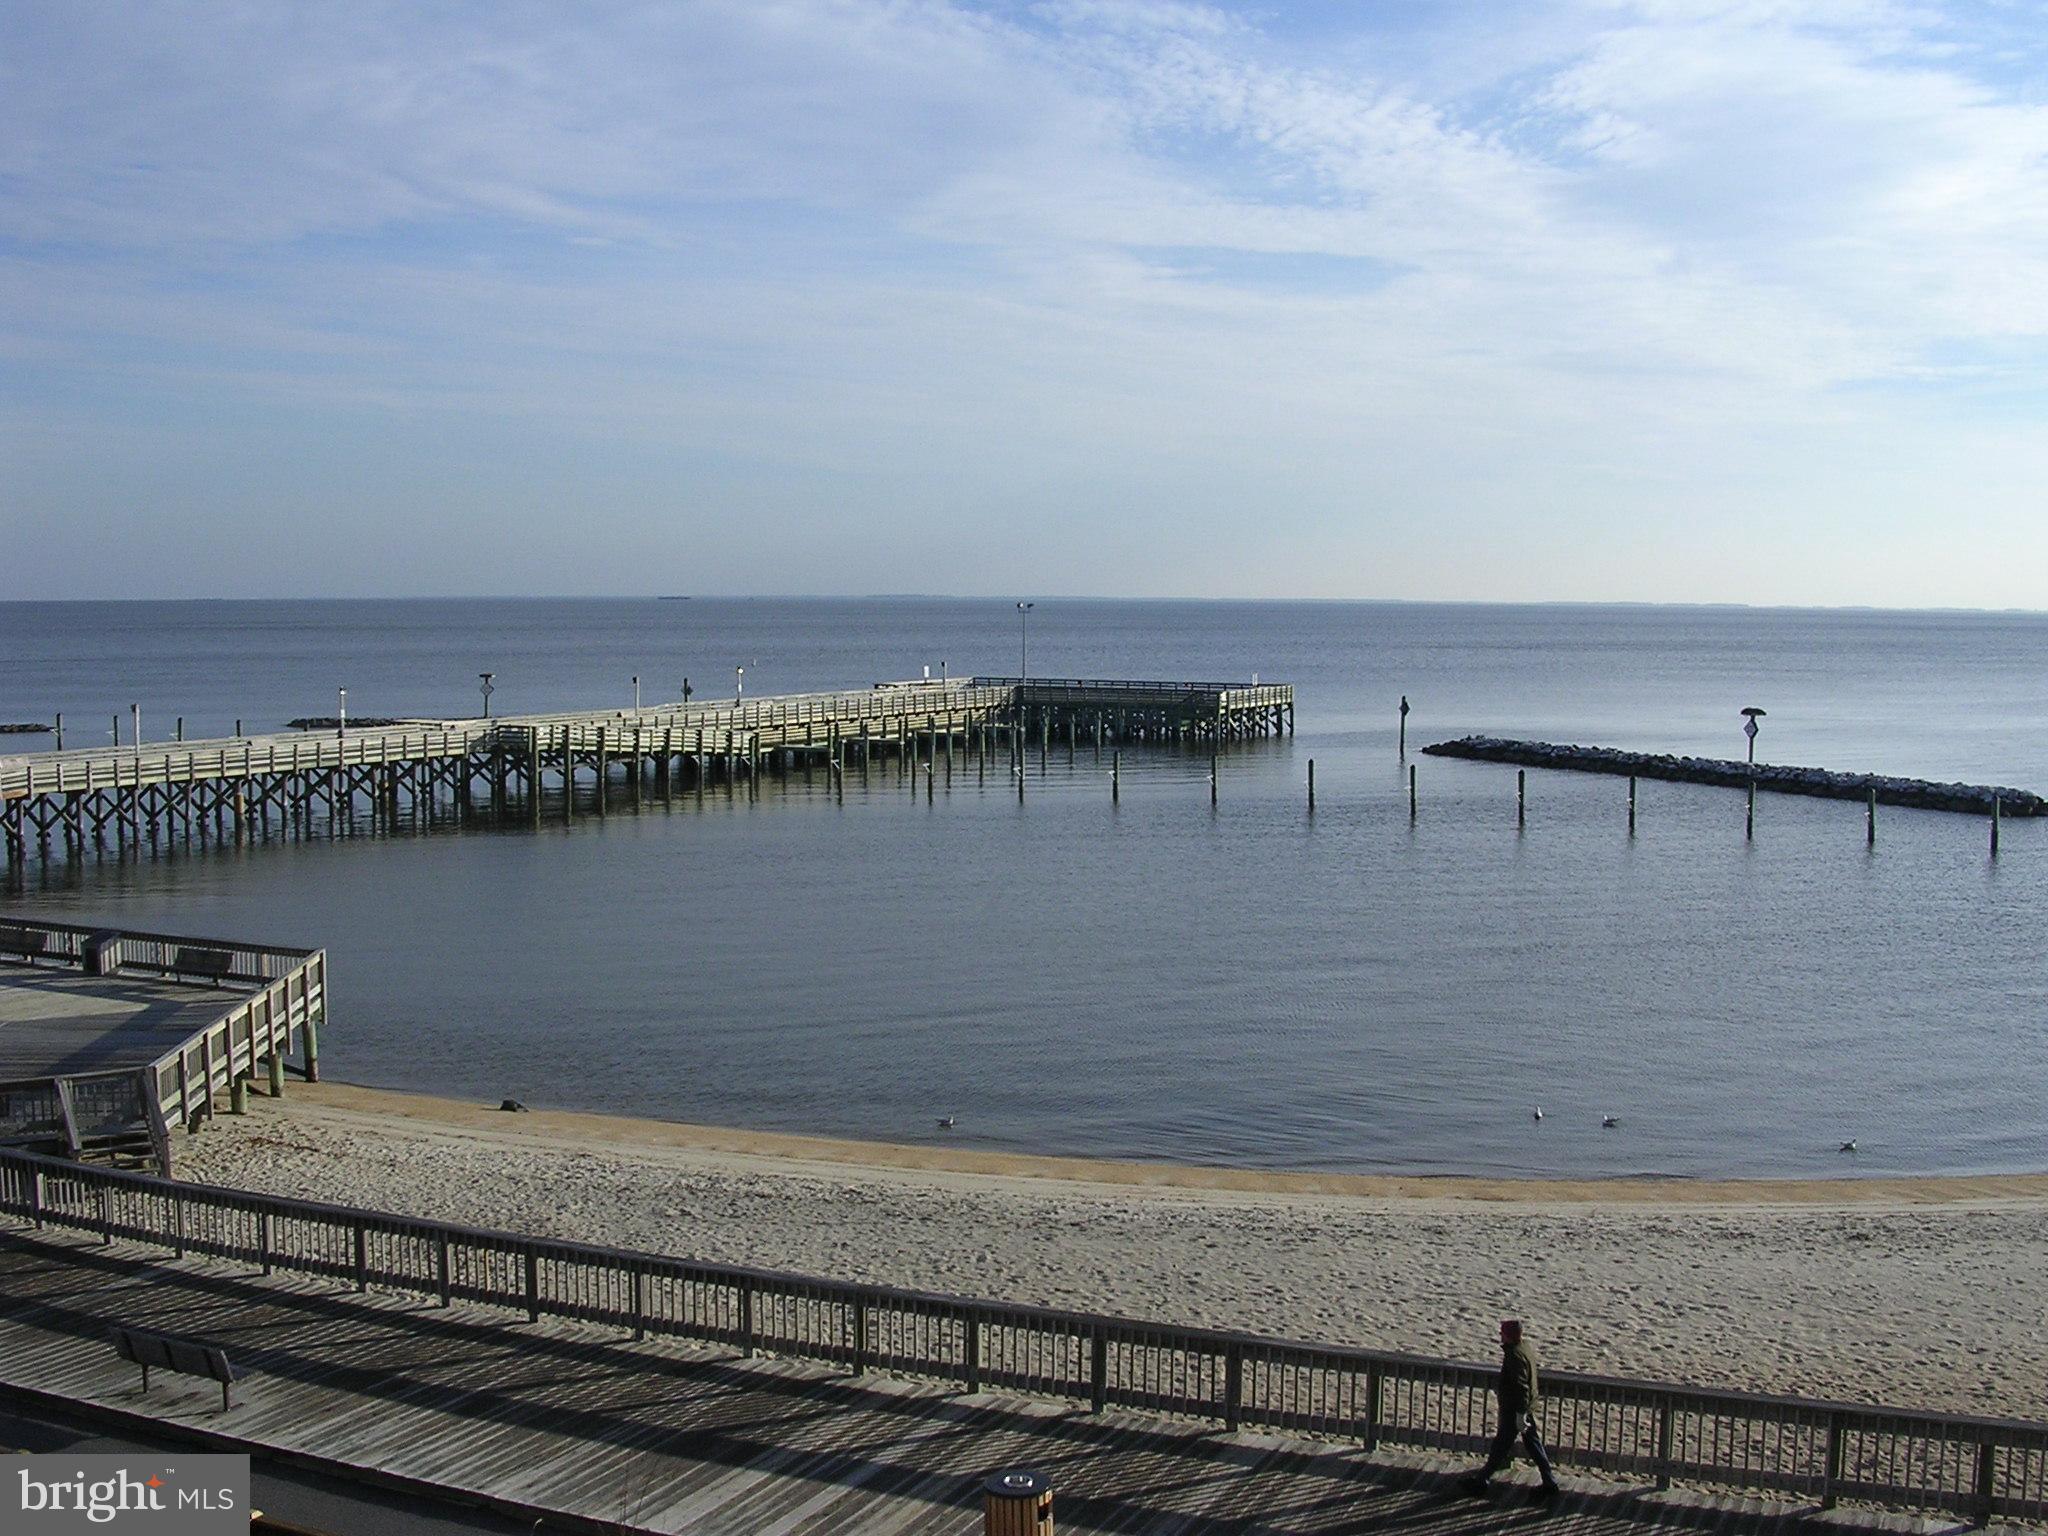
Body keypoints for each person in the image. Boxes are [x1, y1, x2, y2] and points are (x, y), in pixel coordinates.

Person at [1462, 1319, 1561, 1499]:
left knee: (1504, 1445)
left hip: (1516, 1409)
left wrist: (1520, 1414)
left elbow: (1521, 1387)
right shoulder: (1524, 1347)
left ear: (1508, 1335)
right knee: (1528, 1444)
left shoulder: (1514, 1355)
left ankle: (1482, 1481)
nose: (1501, 1335)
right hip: (1522, 1407)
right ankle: (1549, 1481)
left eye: (1502, 1333)